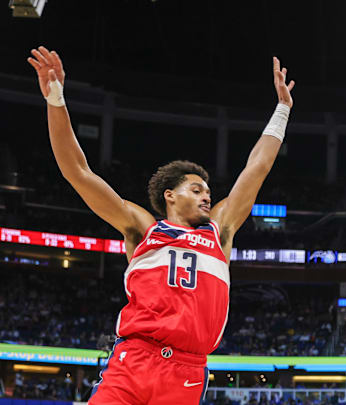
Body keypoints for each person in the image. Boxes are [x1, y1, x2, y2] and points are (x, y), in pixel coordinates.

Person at [27, 46, 295, 405]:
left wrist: (282, 111)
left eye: (208, 191)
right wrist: (56, 98)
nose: (206, 196)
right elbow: (77, 171)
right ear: (170, 195)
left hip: (187, 370)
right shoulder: (142, 228)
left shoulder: (220, 229)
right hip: (134, 360)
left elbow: (257, 168)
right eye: (196, 189)